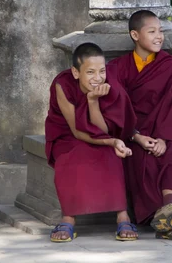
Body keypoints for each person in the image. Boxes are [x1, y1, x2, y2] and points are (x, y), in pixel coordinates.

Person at [107, 10, 172, 241]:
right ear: (135, 34)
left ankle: (169, 208)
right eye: (152, 31)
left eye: (160, 31)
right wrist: (135, 136)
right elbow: (114, 107)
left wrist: (164, 136)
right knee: (143, 160)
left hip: (165, 130)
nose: (159, 36)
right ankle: (167, 220)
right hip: (133, 133)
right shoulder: (118, 68)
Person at [45, 42, 139, 242]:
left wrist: (93, 101)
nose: (98, 78)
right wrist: (112, 141)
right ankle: (68, 218)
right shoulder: (62, 84)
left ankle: (123, 216)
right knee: (71, 156)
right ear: (76, 72)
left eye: (102, 71)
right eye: (90, 72)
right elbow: (77, 132)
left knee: (110, 154)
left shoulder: (109, 84)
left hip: (100, 134)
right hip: (68, 135)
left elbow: (103, 130)